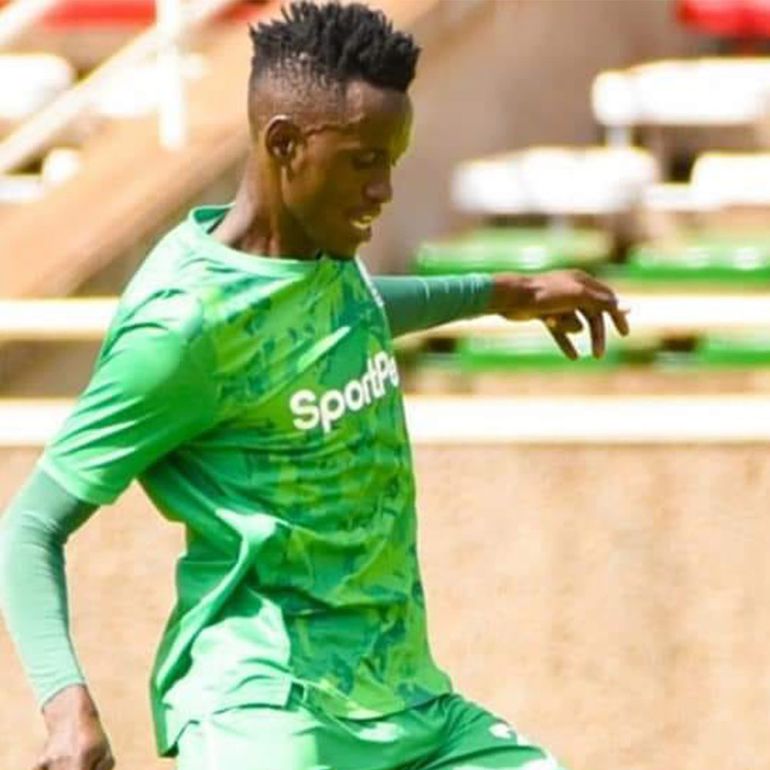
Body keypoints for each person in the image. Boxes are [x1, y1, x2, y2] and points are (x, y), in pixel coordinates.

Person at [0, 3, 629, 769]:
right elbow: (30, 527)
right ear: (284, 144)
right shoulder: (183, 327)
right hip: (268, 712)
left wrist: (506, 293)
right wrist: (67, 708)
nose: (384, 189)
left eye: (392, 161)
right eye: (365, 161)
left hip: (409, 703)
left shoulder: (322, 259)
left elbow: (351, 314)